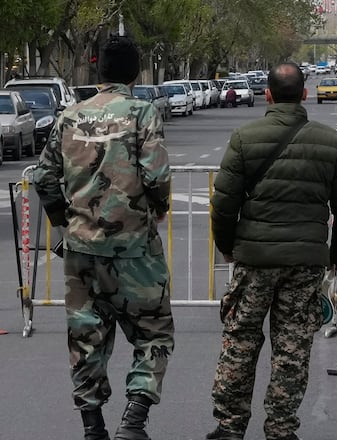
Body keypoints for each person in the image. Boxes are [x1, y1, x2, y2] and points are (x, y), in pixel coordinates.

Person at [206, 62, 337, 440]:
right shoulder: (330, 142)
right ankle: (280, 427)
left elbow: (224, 204)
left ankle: (229, 427)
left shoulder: (244, 137)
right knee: (292, 347)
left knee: (240, 341)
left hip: (254, 260)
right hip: (305, 262)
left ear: (268, 95)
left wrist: (227, 248)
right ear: (305, 94)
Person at [32, 34, 173, 440]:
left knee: (85, 336)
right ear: (135, 72)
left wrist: (64, 221)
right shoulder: (142, 112)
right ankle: (134, 419)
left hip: (81, 250)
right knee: (153, 332)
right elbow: (157, 175)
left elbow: (43, 177)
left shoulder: (70, 116)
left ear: (98, 70)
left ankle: (92, 427)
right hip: (135, 250)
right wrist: (158, 208)